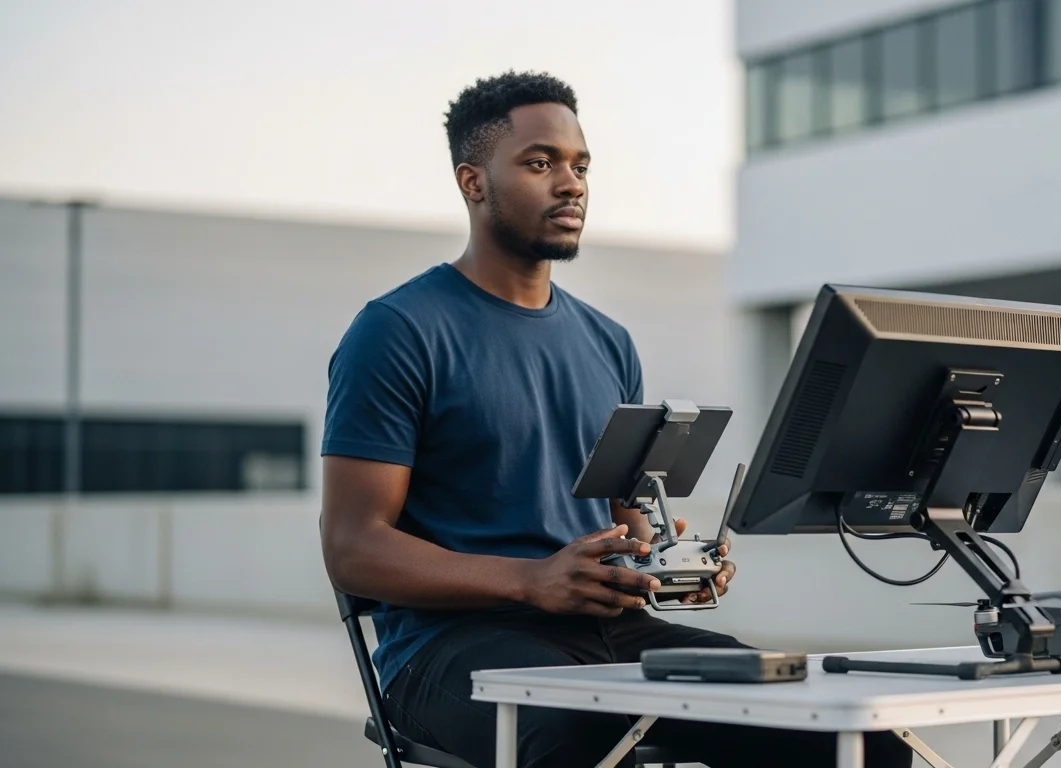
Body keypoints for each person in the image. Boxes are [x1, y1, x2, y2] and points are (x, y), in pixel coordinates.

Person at [319, 70, 912, 768]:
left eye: (580, 166)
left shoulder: (607, 341)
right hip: (449, 649)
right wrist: (531, 580)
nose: (570, 184)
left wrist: (663, 563)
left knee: (852, 737)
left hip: (610, 634)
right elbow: (352, 546)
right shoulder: (398, 331)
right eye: (540, 163)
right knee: (582, 740)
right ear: (473, 183)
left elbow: (620, 520)